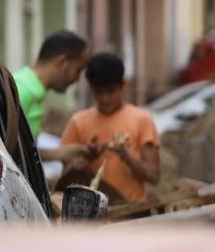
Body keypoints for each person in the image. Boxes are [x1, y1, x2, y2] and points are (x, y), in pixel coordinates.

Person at [57, 52, 161, 203]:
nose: (105, 99)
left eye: (111, 92)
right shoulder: (77, 123)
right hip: (90, 214)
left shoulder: (142, 120)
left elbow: (154, 176)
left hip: (131, 211)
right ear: (90, 88)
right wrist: (85, 160)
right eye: (98, 92)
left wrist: (127, 156)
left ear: (122, 85)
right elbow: (65, 176)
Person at [13, 30, 89, 137]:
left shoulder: (30, 89)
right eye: (78, 70)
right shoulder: (21, 90)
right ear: (63, 62)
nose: (77, 79)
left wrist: (61, 154)